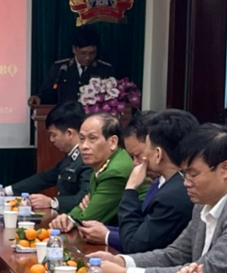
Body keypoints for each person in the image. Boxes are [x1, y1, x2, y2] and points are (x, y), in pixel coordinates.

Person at [87, 122, 227, 273]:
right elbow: (177, 253)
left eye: (193, 174)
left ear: (225, 169)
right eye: (185, 174)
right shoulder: (204, 202)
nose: (186, 183)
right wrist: (122, 261)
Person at [79, 109, 193, 254]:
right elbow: (143, 229)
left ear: (157, 153)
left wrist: (131, 188)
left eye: (138, 155)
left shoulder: (175, 193)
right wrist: (107, 231)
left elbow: (138, 243)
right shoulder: (159, 182)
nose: (134, 163)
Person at [0, 101, 90, 213]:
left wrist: (52, 202)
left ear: (69, 133)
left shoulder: (87, 159)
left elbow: (85, 198)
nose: (51, 140)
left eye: (54, 135)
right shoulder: (70, 157)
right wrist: (6, 191)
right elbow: (44, 178)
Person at [47, 113, 133, 230]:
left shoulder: (115, 172)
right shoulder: (105, 162)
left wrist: (71, 219)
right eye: (82, 139)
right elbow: (85, 205)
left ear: (112, 142)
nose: (84, 146)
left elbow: (88, 218)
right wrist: (69, 217)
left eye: (92, 138)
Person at [27, 27, 115, 108]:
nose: (88, 57)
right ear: (74, 49)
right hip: (64, 116)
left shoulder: (105, 69)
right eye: (83, 53)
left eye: (92, 53)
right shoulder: (60, 68)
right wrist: (38, 98)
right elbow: (47, 93)